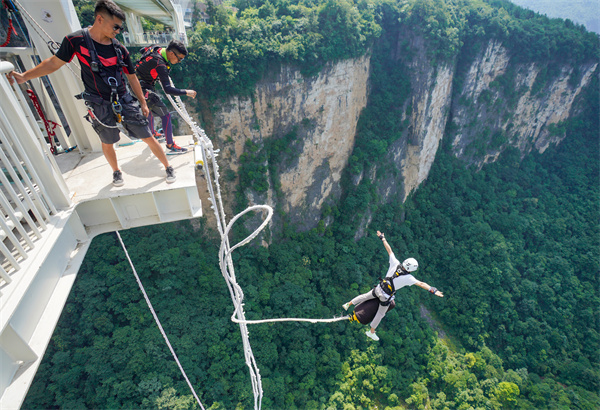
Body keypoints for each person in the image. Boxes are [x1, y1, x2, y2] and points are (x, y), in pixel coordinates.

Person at [7, 0, 176, 187]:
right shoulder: (76, 40)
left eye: (120, 28)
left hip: (123, 98)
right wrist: (24, 76)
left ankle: (167, 166)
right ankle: (116, 171)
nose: (118, 31)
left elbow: (132, 76)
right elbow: (54, 63)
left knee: (146, 134)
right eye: (116, 26)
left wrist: (143, 103)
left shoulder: (119, 49)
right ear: (100, 19)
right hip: (98, 101)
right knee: (108, 139)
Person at [343, 230, 444, 341]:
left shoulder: (395, 263)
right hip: (385, 296)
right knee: (380, 313)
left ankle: (349, 303)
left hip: (378, 288)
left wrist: (382, 238)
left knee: (365, 296)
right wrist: (433, 290)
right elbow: (421, 283)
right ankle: (371, 332)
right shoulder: (408, 278)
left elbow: (389, 250)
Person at [135, 39, 196, 154]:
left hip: (134, 84)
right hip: (143, 89)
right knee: (166, 115)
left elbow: (142, 50)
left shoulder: (156, 48)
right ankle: (170, 145)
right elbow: (168, 89)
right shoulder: (160, 64)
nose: (179, 61)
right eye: (180, 58)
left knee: (150, 109)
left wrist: (147, 68)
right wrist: (187, 92)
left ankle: (152, 133)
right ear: (172, 53)